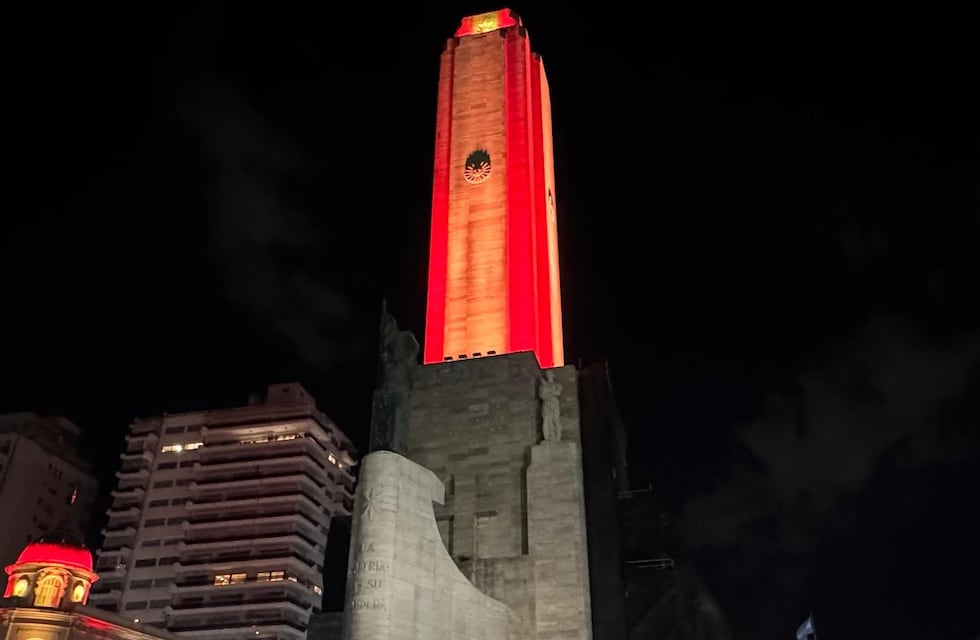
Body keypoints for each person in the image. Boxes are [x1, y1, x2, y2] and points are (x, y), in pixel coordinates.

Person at [538, 369, 562, 441]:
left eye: (550, 374)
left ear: (553, 375)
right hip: (546, 403)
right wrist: (546, 389)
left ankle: (558, 437)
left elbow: (557, 393)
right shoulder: (542, 386)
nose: (548, 375)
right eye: (547, 374)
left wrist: (547, 389)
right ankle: (547, 437)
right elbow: (541, 395)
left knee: (555, 420)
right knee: (546, 420)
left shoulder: (557, 385)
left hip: (554, 403)